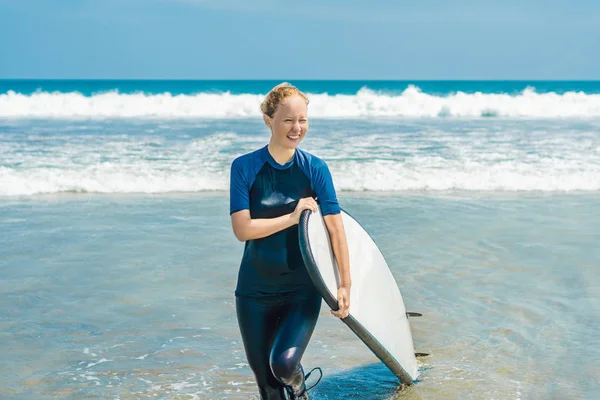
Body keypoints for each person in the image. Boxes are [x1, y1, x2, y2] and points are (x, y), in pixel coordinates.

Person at [229, 82, 352, 399]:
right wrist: (292, 217)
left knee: (283, 366)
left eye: (303, 120)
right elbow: (242, 229)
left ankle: (299, 388)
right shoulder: (245, 167)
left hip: (301, 290)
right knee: (268, 389)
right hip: (254, 291)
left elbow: (336, 229)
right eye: (288, 120)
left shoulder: (314, 169)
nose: (297, 128)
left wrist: (344, 285)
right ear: (269, 120)